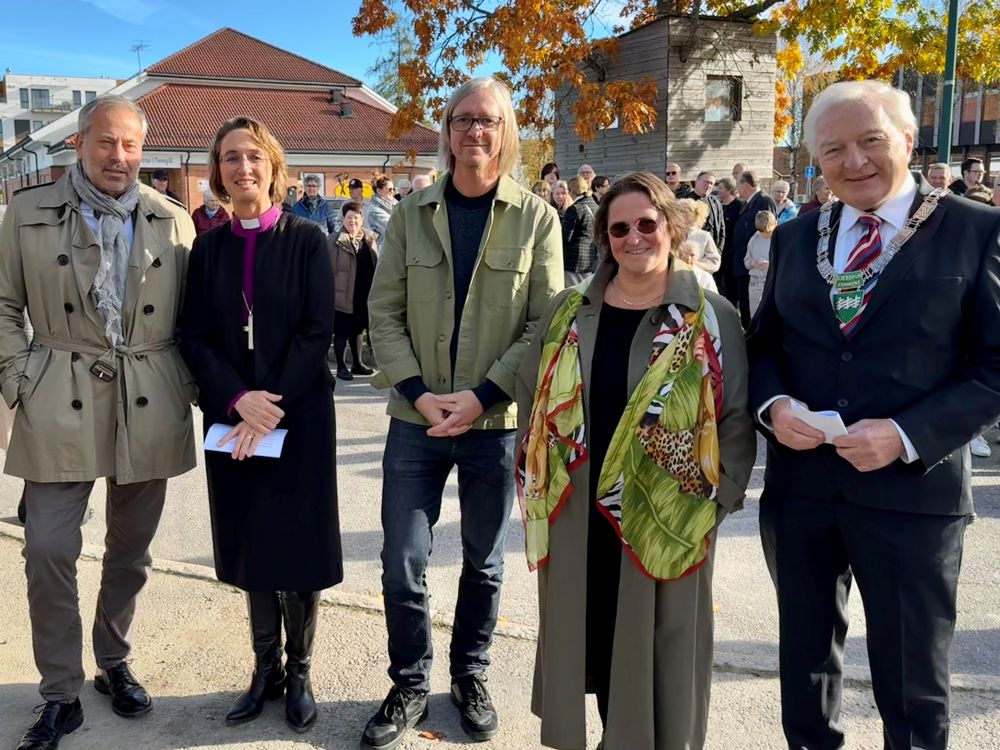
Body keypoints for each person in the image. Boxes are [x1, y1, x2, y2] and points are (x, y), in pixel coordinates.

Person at [747, 79, 1000, 750]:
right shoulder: (799, 236)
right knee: (804, 671)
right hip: (802, 492)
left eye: (871, 142)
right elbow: (765, 343)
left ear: (909, 143)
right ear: (816, 161)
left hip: (913, 498)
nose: (854, 161)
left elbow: (995, 368)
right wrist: (774, 407)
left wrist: (908, 434)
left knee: (913, 686)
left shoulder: (977, 231)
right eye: (834, 149)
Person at [516, 170, 755, 750]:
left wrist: (714, 503)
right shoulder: (569, 309)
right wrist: (535, 473)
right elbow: (534, 391)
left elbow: (736, 418)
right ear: (605, 236)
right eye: (619, 228)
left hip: (667, 517)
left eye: (647, 224)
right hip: (578, 517)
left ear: (671, 228)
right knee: (591, 638)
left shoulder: (709, 314)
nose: (634, 238)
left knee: (661, 653)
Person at [364, 76, 562, 749]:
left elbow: (547, 322)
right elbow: (382, 312)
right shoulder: (412, 213)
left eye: (490, 120)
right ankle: (410, 683)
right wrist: (421, 393)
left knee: (484, 562)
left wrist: (481, 397)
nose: (476, 131)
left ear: (507, 133)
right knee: (402, 560)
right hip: (414, 420)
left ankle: (468, 675)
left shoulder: (539, 219)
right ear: (446, 130)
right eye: (464, 119)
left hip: (494, 423)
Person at [2, 95, 197, 750]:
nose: (121, 157)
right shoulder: (26, 214)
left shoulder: (173, 219)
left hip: (149, 397)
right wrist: (17, 378)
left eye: (132, 146)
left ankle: (113, 661)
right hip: (58, 394)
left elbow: (199, 319)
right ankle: (61, 692)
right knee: (50, 547)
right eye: (107, 143)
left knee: (131, 550)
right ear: (79, 143)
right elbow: (2, 304)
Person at [179, 116, 342, 734]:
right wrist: (236, 400)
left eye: (252, 156)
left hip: (296, 418)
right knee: (250, 543)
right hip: (233, 419)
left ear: (272, 165)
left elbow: (315, 333)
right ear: (217, 172)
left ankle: (299, 672)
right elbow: (192, 335)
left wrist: (266, 404)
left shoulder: (306, 241)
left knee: (296, 549)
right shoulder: (209, 247)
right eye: (229, 158)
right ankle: (263, 670)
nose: (242, 168)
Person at [331, 200, 378, 380]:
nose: (353, 222)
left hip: (363, 293)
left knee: (358, 330)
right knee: (342, 330)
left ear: (362, 219)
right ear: (343, 219)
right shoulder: (335, 240)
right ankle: (342, 366)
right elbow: (328, 270)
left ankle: (358, 364)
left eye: (356, 218)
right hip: (341, 294)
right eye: (349, 218)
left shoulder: (369, 239)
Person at [729, 170, 776, 327]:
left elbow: (770, 229)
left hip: (758, 268)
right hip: (746, 262)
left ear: (746, 185)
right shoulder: (747, 202)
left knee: (754, 309)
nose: (737, 188)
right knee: (745, 306)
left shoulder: (764, 201)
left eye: (738, 184)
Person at [561, 175, 599, 285]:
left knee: (573, 295)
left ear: (571, 191)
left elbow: (565, 237)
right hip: (590, 258)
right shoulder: (595, 206)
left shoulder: (574, 209)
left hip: (573, 261)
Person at [677, 198, 722, 274]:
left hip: (697, 278)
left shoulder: (704, 236)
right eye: (679, 210)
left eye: (684, 211)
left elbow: (715, 261)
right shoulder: (672, 233)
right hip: (674, 278)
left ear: (695, 214)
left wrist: (696, 264)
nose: (680, 214)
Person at [744, 209, 776, 314]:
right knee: (755, 312)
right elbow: (746, 261)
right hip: (755, 281)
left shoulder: (779, 239)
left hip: (772, 282)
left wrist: (771, 265)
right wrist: (751, 263)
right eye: (762, 232)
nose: (765, 235)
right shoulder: (755, 239)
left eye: (768, 232)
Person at [715, 176, 741, 295]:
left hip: (732, 251)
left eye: (721, 188)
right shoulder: (717, 205)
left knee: (731, 284)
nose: (717, 190)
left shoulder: (738, 206)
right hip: (719, 250)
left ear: (729, 190)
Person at [693, 170, 725, 251]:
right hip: (693, 250)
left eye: (711, 183)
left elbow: (722, 229)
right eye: (706, 182)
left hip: (712, 251)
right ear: (697, 182)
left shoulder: (716, 203)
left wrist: (718, 251)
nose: (708, 185)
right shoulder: (686, 201)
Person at [365, 174, 396, 241]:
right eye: (390, 189)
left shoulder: (395, 205)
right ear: (379, 190)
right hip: (383, 249)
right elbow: (393, 229)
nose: (393, 192)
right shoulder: (374, 210)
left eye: (394, 189)